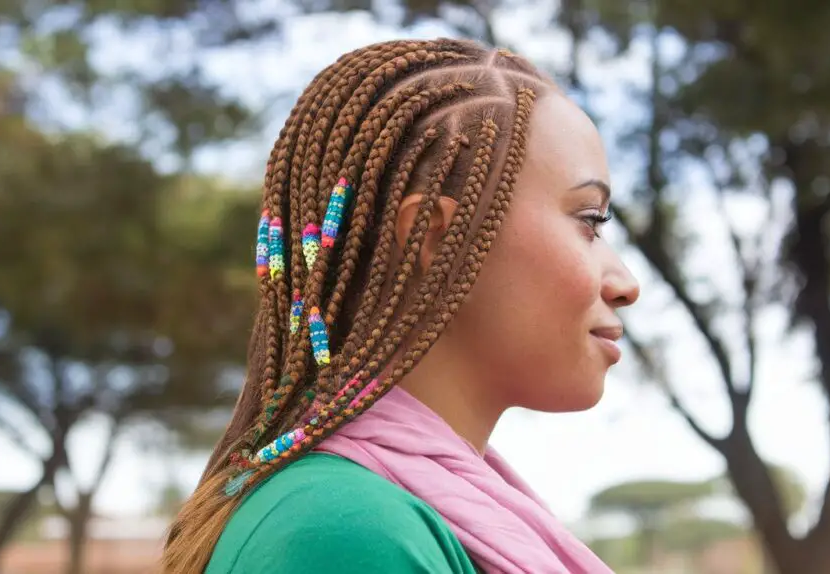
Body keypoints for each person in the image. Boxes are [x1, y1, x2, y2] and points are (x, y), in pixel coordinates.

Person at [164, 38, 639, 574]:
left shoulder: (396, 512)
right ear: (439, 239)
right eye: (590, 222)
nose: (626, 283)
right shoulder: (346, 531)